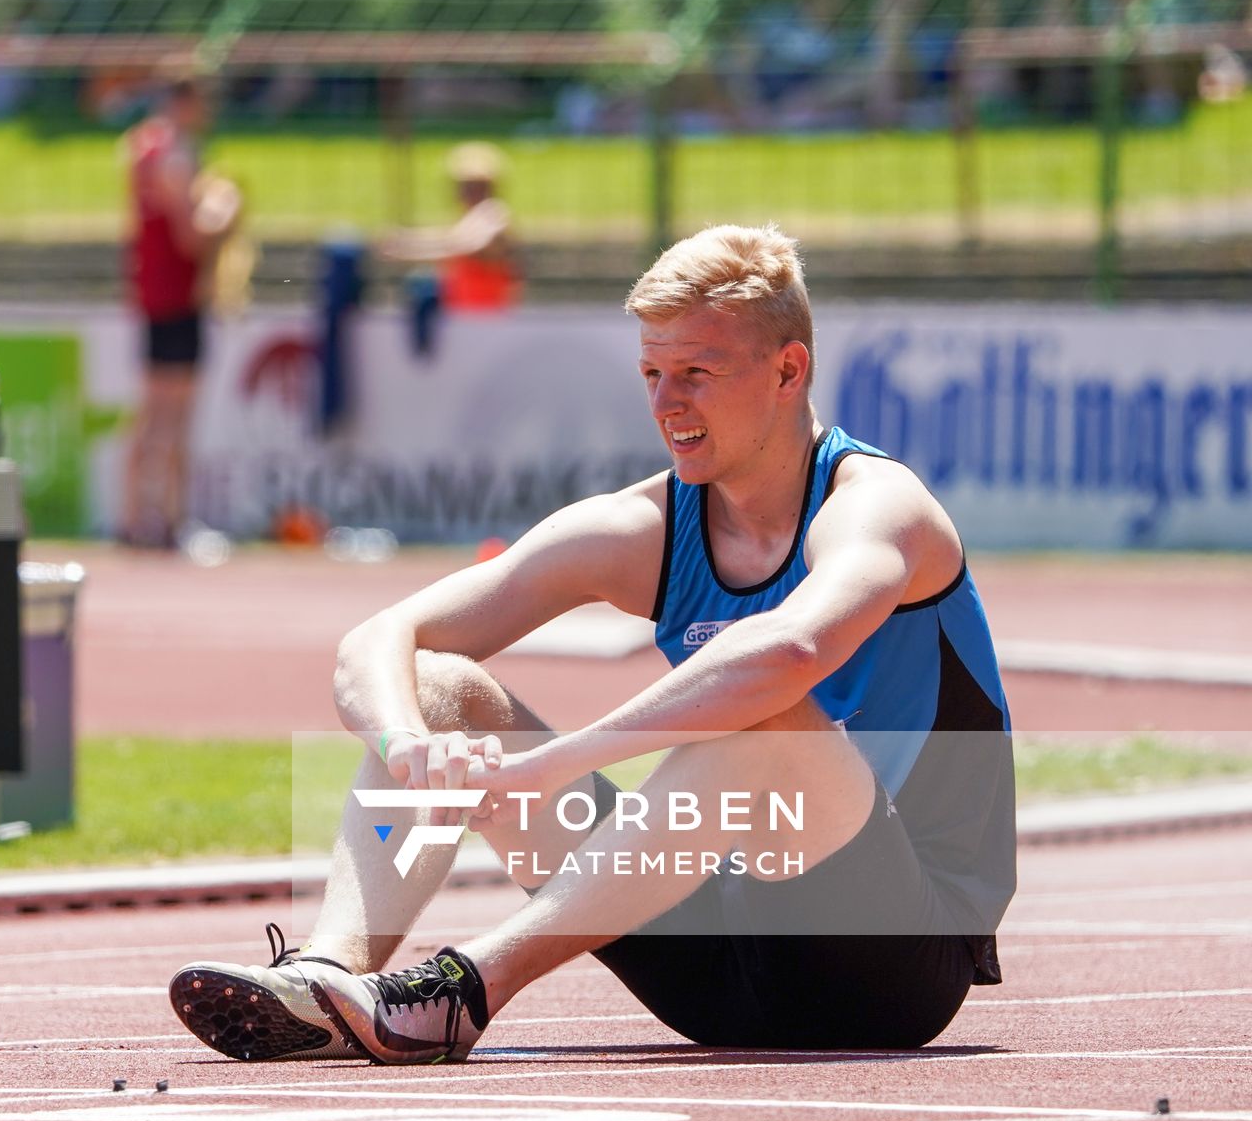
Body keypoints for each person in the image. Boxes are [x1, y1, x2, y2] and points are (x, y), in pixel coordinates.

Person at [170, 224, 1015, 1064]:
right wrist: (411, 747)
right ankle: (327, 980)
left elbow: (787, 652)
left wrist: (552, 763)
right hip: (713, 968)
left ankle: (466, 988)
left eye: (697, 373)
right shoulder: (644, 525)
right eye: (651, 373)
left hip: (893, 959)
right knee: (441, 688)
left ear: (789, 369)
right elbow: (380, 640)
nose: (664, 404)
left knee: (763, 717)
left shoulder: (878, 505)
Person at [118, 65, 241, 548]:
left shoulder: (139, 146)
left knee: (152, 411)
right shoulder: (176, 152)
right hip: (177, 293)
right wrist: (225, 211)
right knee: (174, 414)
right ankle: (169, 517)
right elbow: (191, 236)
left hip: (152, 290)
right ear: (188, 100)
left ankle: (137, 516)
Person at [379, 141, 519, 313]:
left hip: (488, 317)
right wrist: (407, 239)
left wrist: (407, 250)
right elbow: (450, 238)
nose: (466, 192)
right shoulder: (470, 219)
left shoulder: (494, 215)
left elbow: (463, 246)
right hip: (463, 315)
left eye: (476, 186)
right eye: (464, 186)